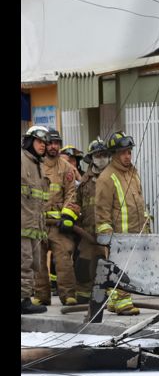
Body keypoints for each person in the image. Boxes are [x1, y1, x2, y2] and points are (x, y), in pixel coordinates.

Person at [95, 131, 150, 315]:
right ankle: (122, 303)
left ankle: (115, 300)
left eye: (129, 152)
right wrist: (107, 235)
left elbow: (139, 202)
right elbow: (102, 210)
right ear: (115, 154)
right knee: (121, 269)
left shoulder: (133, 173)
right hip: (118, 236)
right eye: (124, 152)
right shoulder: (107, 177)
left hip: (135, 233)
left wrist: (146, 226)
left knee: (130, 269)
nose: (128, 156)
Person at [35, 127, 79, 307]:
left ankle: (68, 295)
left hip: (59, 224)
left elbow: (71, 194)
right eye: (50, 143)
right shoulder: (35, 166)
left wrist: (67, 216)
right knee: (38, 261)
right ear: (44, 145)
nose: (53, 146)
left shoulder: (66, 168)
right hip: (38, 223)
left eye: (56, 143)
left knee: (63, 259)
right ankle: (41, 296)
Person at [73, 138, 111, 304]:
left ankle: (108, 294)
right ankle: (83, 293)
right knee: (84, 264)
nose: (101, 158)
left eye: (104, 154)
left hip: (108, 231)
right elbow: (76, 202)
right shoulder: (84, 181)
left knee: (107, 264)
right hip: (87, 231)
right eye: (97, 155)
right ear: (91, 157)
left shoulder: (113, 177)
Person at [21, 126, 50, 314]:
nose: (43, 146)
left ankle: (26, 298)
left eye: (45, 143)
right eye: (40, 142)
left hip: (34, 226)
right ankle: (23, 301)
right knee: (24, 262)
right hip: (23, 225)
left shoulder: (38, 165)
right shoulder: (22, 160)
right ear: (31, 142)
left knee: (33, 264)